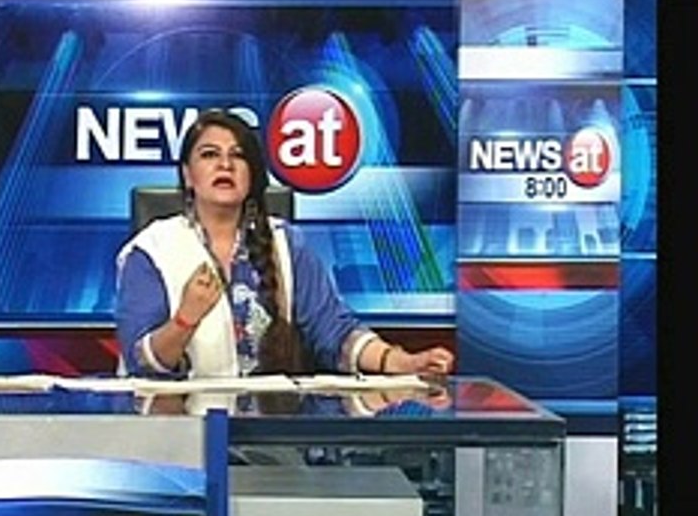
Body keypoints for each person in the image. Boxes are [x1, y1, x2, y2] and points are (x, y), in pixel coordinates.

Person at [114, 109, 454, 380]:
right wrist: (185, 319)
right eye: (209, 155)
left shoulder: (286, 244)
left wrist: (401, 362)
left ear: (252, 175)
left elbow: (334, 331)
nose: (225, 165)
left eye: (238, 156)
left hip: (269, 428)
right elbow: (142, 364)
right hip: (179, 431)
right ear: (188, 175)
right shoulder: (151, 251)